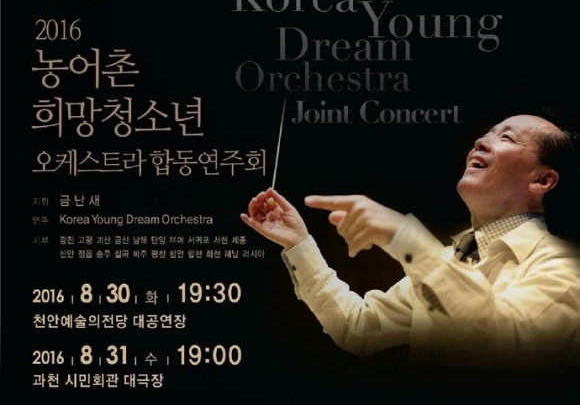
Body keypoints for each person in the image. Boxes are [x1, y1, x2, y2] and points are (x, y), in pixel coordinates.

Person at [242, 114, 580, 369]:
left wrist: (407, 239)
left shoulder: (564, 267)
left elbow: (505, 351)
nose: (480, 141)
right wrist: (299, 244)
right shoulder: (448, 260)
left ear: (543, 180)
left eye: (507, 137)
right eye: (486, 133)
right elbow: (357, 328)